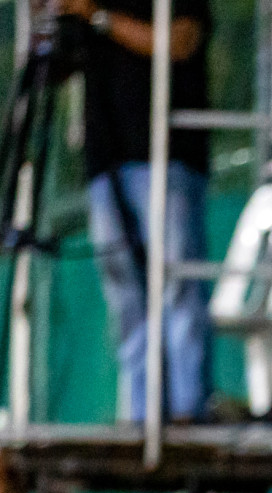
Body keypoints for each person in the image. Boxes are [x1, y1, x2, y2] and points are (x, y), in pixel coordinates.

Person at [55, 0, 213, 422]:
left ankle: (187, 411)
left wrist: (99, 18)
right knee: (124, 290)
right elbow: (57, 69)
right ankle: (142, 413)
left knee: (177, 280)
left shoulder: (101, 9)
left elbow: (183, 40)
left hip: (167, 155)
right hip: (105, 161)